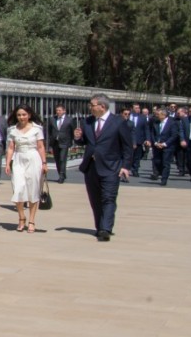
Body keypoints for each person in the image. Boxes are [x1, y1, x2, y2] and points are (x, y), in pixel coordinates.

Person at [74, 93, 134, 242]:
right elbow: (84, 142)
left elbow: (127, 147)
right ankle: (99, 226)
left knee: (108, 198)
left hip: (111, 167)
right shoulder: (87, 122)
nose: (90, 107)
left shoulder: (118, 122)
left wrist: (126, 166)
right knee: (95, 199)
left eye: (92, 105)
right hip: (91, 166)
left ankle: (105, 228)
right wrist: (78, 138)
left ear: (102, 106)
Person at [6, 104, 47, 233]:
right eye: (19, 115)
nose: (21, 117)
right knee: (18, 188)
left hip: (33, 158)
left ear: (29, 115)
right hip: (18, 159)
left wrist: (44, 163)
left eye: (24, 114)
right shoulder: (12, 129)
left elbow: (40, 147)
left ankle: (31, 221)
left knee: (33, 190)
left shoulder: (37, 128)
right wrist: (7, 163)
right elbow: (11, 148)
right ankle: (21, 217)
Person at [150, 105, 180, 186]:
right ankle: (159, 172)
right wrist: (155, 143)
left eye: (158, 114)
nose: (156, 116)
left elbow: (174, 135)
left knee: (166, 163)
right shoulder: (155, 122)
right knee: (157, 161)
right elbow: (152, 134)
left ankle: (164, 179)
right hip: (157, 146)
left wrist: (164, 144)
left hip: (167, 147)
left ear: (163, 115)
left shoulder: (172, 123)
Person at [48, 104, 75, 184]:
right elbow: (50, 130)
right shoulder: (52, 119)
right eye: (57, 110)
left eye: (59, 110)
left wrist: (71, 141)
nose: (58, 112)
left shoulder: (69, 120)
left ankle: (61, 176)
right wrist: (52, 138)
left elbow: (72, 131)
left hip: (64, 142)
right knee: (57, 160)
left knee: (62, 159)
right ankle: (61, 174)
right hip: (55, 142)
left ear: (64, 111)